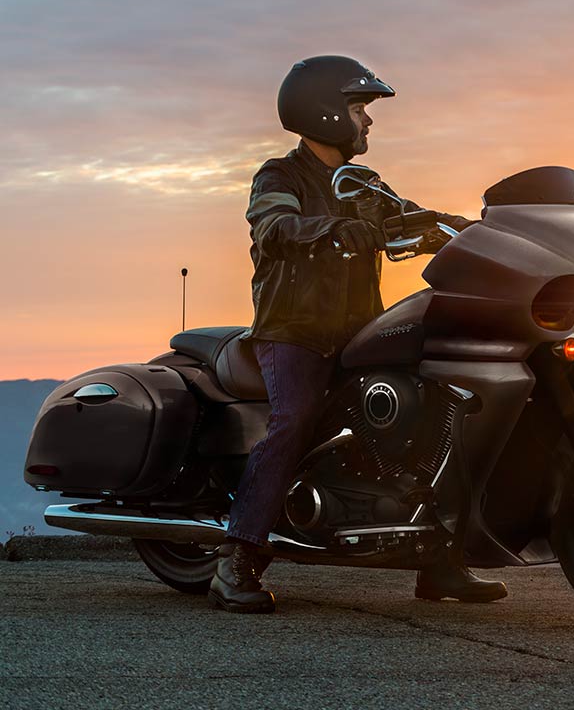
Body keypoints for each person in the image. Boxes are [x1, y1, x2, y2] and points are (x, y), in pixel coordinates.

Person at [208, 55, 506, 613]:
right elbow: (275, 227)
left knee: (439, 414)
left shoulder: (365, 185)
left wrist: (473, 231)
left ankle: (439, 559)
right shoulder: (279, 176)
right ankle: (237, 557)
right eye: (358, 108)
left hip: (359, 332)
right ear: (323, 112)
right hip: (295, 331)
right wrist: (335, 229)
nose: (367, 120)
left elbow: (411, 216)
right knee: (295, 420)